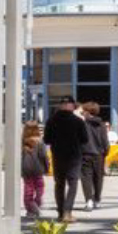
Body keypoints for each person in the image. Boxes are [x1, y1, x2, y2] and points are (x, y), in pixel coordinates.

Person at [42, 93, 89, 222]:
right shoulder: (78, 121)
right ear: (72, 106)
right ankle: (67, 212)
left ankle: (60, 212)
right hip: (74, 156)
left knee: (59, 184)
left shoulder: (51, 120)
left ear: (60, 106)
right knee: (72, 184)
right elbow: (85, 139)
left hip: (58, 155)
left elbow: (46, 140)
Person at [80, 100, 110, 209]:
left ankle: (89, 201)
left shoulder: (83, 124)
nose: (82, 113)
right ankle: (97, 200)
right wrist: (105, 153)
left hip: (85, 154)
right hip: (99, 155)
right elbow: (105, 141)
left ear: (88, 112)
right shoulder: (102, 125)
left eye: (83, 111)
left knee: (86, 178)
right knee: (98, 178)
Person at [20, 122, 48, 220]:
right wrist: (47, 167)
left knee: (28, 191)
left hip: (26, 170)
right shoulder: (40, 142)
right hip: (38, 170)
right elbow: (44, 156)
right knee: (40, 189)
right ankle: (35, 207)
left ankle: (31, 209)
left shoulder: (22, 142)